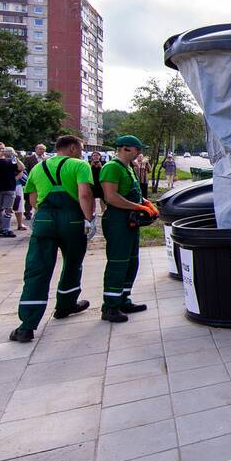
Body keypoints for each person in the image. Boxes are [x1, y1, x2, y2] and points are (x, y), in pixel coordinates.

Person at [9, 134, 97, 343]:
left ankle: (27, 326)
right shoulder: (79, 165)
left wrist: (44, 216)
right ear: (74, 148)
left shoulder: (38, 167)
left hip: (45, 220)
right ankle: (66, 305)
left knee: (37, 269)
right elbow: (84, 194)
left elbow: (32, 197)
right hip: (72, 220)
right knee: (73, 263)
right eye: (81, 148)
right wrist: (89, 220)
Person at [99, 135, 158, 323]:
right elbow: (111, 197)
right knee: (118, 262)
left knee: (131, 261)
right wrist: (138, 208)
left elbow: (134, 193)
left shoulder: (128, 168)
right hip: (118, 221)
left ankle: (123, 299)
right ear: (124, 148)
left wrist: (147, 203)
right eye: (137, 149)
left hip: (129, 221)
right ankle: (110, 306)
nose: (140, 153)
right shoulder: (111, 168)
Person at [0, 143, 22, 237]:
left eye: (3, 148)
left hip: (9, 188)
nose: (1, 150)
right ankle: (2, 228)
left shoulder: (10, 161)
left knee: (8, 209)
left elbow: (21, 168)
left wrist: (15, 158)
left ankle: (6, 229)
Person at [22, 143, 48, 222]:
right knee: (30, 197)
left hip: (43, 181)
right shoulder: (29, 158)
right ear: (36, 149)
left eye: (43, 149)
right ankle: (28, 213)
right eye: (40, 149)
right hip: (32, 180)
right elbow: (25, 169)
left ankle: (41, 211)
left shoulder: (47, 159)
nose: (42, 151)